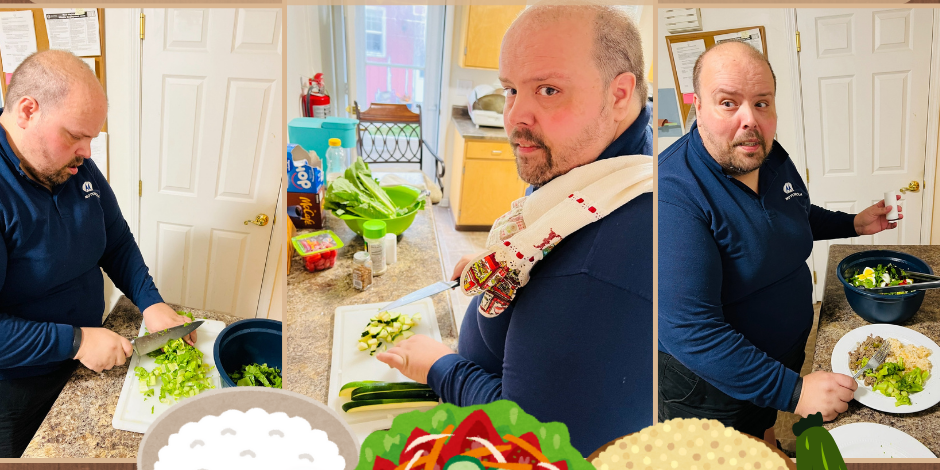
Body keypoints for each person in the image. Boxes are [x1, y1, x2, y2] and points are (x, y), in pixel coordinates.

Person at [375, 5, 653, 456]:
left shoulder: (603, 265)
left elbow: (533, 440)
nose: (514, 116)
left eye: (548, 89)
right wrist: (506, 271)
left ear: (619, 94)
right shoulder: (594, 173)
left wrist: (439, 367)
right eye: (510, 89)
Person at [658, 41, 902, 447]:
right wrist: (796, 393)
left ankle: (770, 440)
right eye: (727, 103)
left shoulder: (766, 156)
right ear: (696, 106)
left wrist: (853, 224)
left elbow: (793, 214)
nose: (749, 120)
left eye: (762, 103)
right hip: (713, 386)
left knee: (762, 430)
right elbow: (692, 331)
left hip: (781, 356)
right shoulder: (673, 196)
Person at [0, 50, 195, 457]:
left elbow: (116, 241)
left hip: (85, 359)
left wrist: (151, 302)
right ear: (27, 111)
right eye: (75, 136)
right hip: (16, 390)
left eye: (93, 138)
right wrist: (75, 342)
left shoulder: (73, 167)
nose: (87, 152)